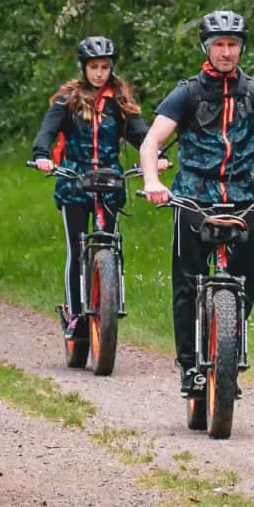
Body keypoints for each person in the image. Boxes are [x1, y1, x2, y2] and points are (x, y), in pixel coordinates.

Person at [139, 9, 254, 397]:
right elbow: (151, 143)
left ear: (241, 48)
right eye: (220, 45)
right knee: (187, 286)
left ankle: (226, 360)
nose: (227, 52)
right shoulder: (189, 92)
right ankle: (191, 367)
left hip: (245, 198)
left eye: (233, 45)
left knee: (245, 286)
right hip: (194, 198)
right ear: (206, 48)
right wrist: (152, 180)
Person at [31, 36, 165, 345]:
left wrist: (157, 156)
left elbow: (141, 136)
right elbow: (46, 134)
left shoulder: (119, 102)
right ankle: (76, 315)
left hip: (109, 180)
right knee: (76, 249)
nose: (100, 73)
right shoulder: (67, 99)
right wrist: (41, 156)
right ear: (83, 68)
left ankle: (110, 300)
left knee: (110, 243)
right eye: (94, 67)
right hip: (74, 180)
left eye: (105, 67)